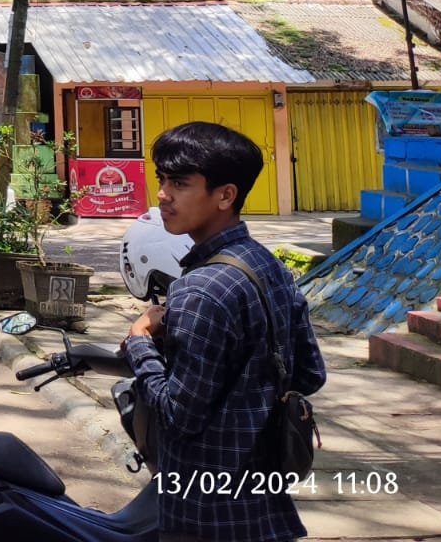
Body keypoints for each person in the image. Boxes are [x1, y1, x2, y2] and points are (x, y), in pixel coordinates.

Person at [122, 122, 325, 542]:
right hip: (265, 504)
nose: (162, 194)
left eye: (180, 183)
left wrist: (141, 342)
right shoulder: (268, 265)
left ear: (225, 195)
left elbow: (178, 415)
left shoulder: (200, 290)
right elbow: (309, 374)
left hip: (205, 514)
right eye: (162, 179)